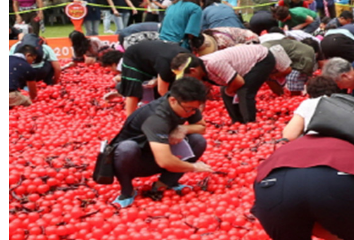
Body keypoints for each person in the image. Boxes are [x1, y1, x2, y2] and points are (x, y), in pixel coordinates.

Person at [107, 77, 212, 208]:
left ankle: (164, 184)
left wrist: (182, 128)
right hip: (135, 160)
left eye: (195, 110)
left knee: (198, 141)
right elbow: (165, 161)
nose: (191, 113)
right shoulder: (157, 118)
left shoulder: (185, 104)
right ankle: (127, 191)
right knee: (127, 148)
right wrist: (194, 167)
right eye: (188, 109)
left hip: (160, 149)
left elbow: (201, 127)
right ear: (173, 100)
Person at [110, 41, 205, 116]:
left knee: (172, 86)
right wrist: (178, 105)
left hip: (155, 58)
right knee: (133, 89)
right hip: (134, 56)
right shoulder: (166, 64)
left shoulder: (189, 59)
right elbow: (162, 91)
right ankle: (129, 118)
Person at [201, 44, 283, 124]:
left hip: (262, 58)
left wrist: (229, 91)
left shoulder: (213, 63)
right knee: (224, 90)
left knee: (244, 90)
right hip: (243, 65)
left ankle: (250, 123)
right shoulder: (200, 65)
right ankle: (237, 122)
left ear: (193, 70)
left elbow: (239, 82)